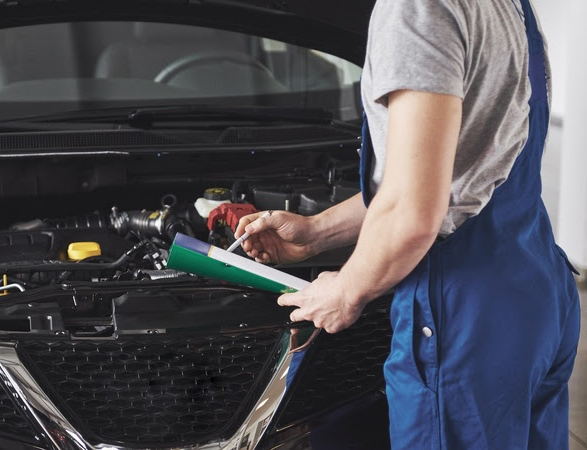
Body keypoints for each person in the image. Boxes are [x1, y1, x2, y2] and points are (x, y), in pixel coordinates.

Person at [235, 0, 581, 447]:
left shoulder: (415, 7)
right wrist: (317, 232)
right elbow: (454, 174)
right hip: (536, 286)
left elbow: (416, 212)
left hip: (462, 310)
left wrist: (344, 291)